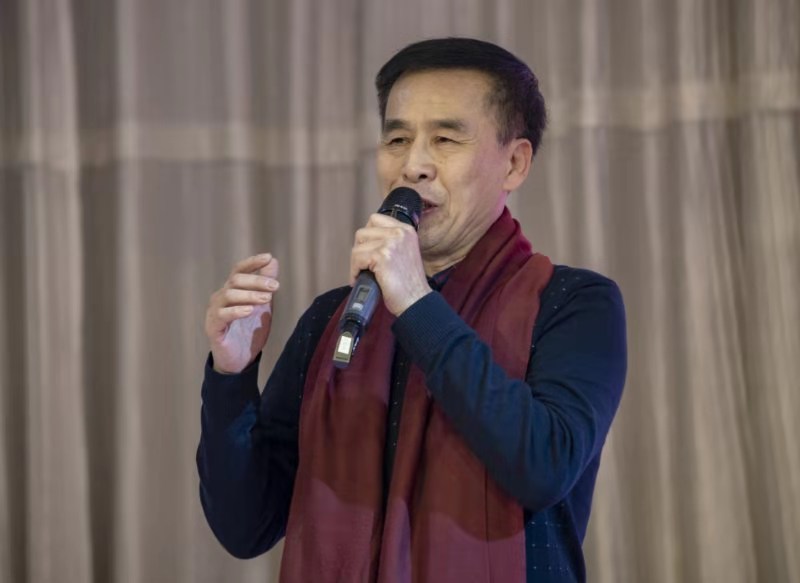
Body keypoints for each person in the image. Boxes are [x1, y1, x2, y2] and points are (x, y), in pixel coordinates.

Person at [197, 37, 626, 583]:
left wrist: (415, 302)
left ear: (515, 163)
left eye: (445, 139)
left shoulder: (573, 303)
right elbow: (246, 527)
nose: (414, 165)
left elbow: (542, 466)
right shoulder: (335, 318)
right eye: (397, 139)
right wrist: (231, 377)